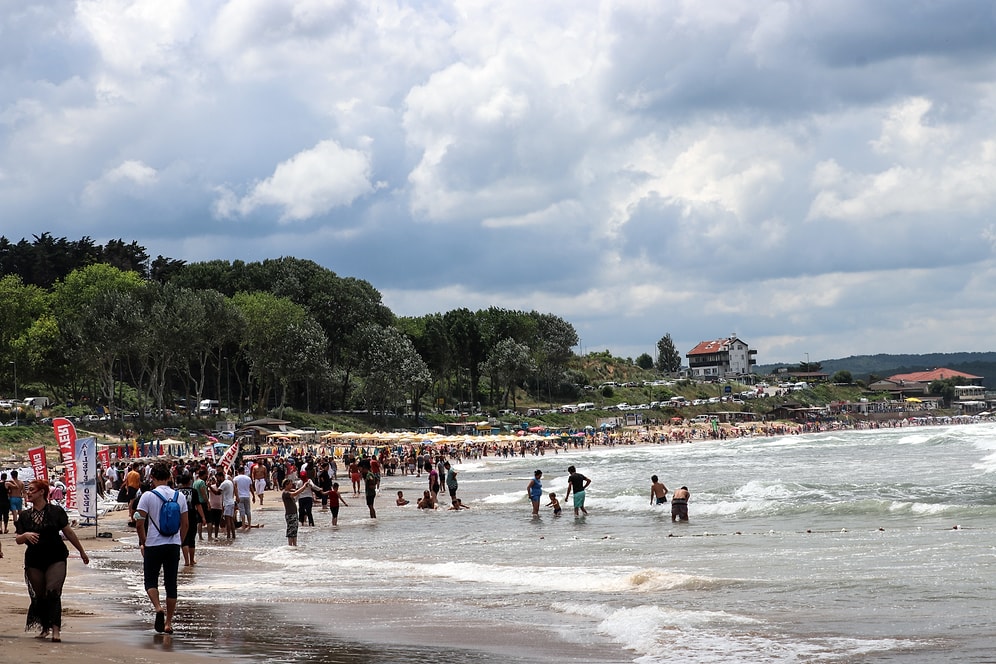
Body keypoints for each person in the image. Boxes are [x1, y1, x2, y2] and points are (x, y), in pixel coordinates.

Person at [14, 478, 90, 642]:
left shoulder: (56, 512)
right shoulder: (25, 516)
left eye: (32, 490)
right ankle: (45, 627)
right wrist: (25, 535)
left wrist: (82, 552)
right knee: (40, 596)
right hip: (34, 559)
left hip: (56, 556)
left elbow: (68, 532)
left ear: (42, 492)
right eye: (28, 490)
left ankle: (56, 630)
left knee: (53, 592)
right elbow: (18, 539)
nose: (29, 492)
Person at [135, 462, 189, 634]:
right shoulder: (179, 496)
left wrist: (143, 542)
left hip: (153, 544)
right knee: (171, 584)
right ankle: (168, 623)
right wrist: (179, 541)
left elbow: (139, 522)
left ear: (152, 478)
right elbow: (185, 523)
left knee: (150, 581)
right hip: (173, 545)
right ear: (169, 477)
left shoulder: (147, 496)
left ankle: (158, 607)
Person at [177, 472, 206, 566]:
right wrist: (203, 517)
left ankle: (186, 561)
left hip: (180, 517)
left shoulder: (177, 492)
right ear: (189, 481)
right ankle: (192, 560)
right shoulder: (193, 491)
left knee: (184, 539)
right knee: (192, 539)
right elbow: (198, 505)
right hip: (192, 516)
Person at [280, 478, 310, 546]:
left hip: (294, 514)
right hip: (290, 514)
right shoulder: (285, 493)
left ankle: (294, 545)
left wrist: (304, 487)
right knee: (291, 532)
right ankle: (290, 545)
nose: (291, 486)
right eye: (290, 484)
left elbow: (297, 491)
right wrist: (304, 486)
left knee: (294, 531)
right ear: (286, 485)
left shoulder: (288, 491)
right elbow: (296, 493)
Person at [233, 467, 253, 532]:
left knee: (242, 511)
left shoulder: (236, 478)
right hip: (247, 496)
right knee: (248, 511)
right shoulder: (248, 478)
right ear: (243, 471)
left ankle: (243, 525)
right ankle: (249, 525)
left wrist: (234, 496)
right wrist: (253, 496)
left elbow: (234, 488)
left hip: (240, 496)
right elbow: (251, 487)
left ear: (238, 471)